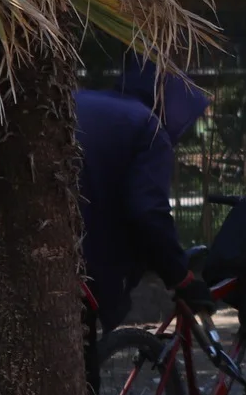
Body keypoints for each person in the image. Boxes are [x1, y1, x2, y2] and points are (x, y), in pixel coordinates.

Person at [77, 54, 215, 333]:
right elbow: (148, 211)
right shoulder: (148, 127)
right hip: (76, 268)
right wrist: (180, 276)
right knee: (80, 364)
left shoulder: (81, 100)